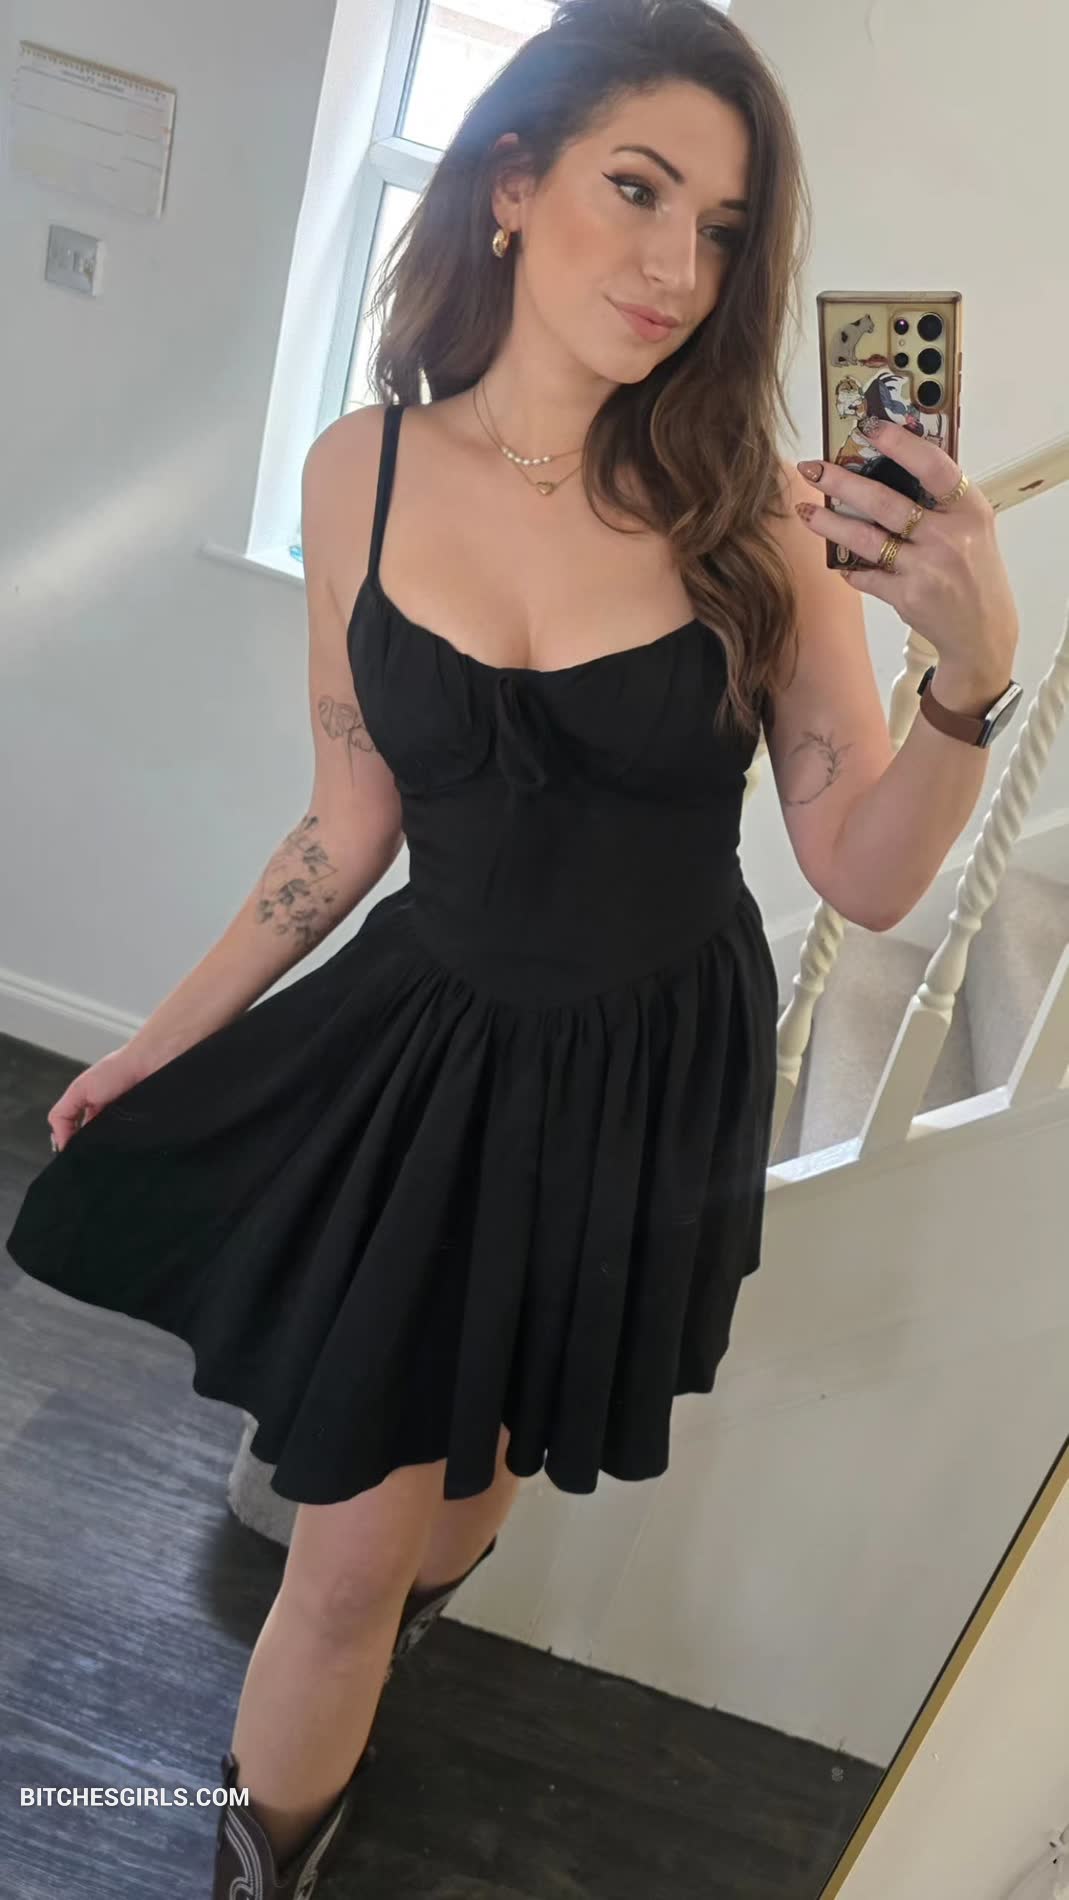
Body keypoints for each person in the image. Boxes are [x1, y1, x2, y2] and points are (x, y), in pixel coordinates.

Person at [6, 0, 811, 1890]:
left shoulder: (746, 516)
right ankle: (262, 1861)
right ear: (510, 183)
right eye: (637, 188)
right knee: (345, 1549)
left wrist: (969, 672)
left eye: (720, 229)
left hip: (648, 1066)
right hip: (432, 1048)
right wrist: (159, 1039)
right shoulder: (357, 470)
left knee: (485, 1451)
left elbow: (861, 862)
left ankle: (407, 1630)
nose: (675, 263)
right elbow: (343, 822)